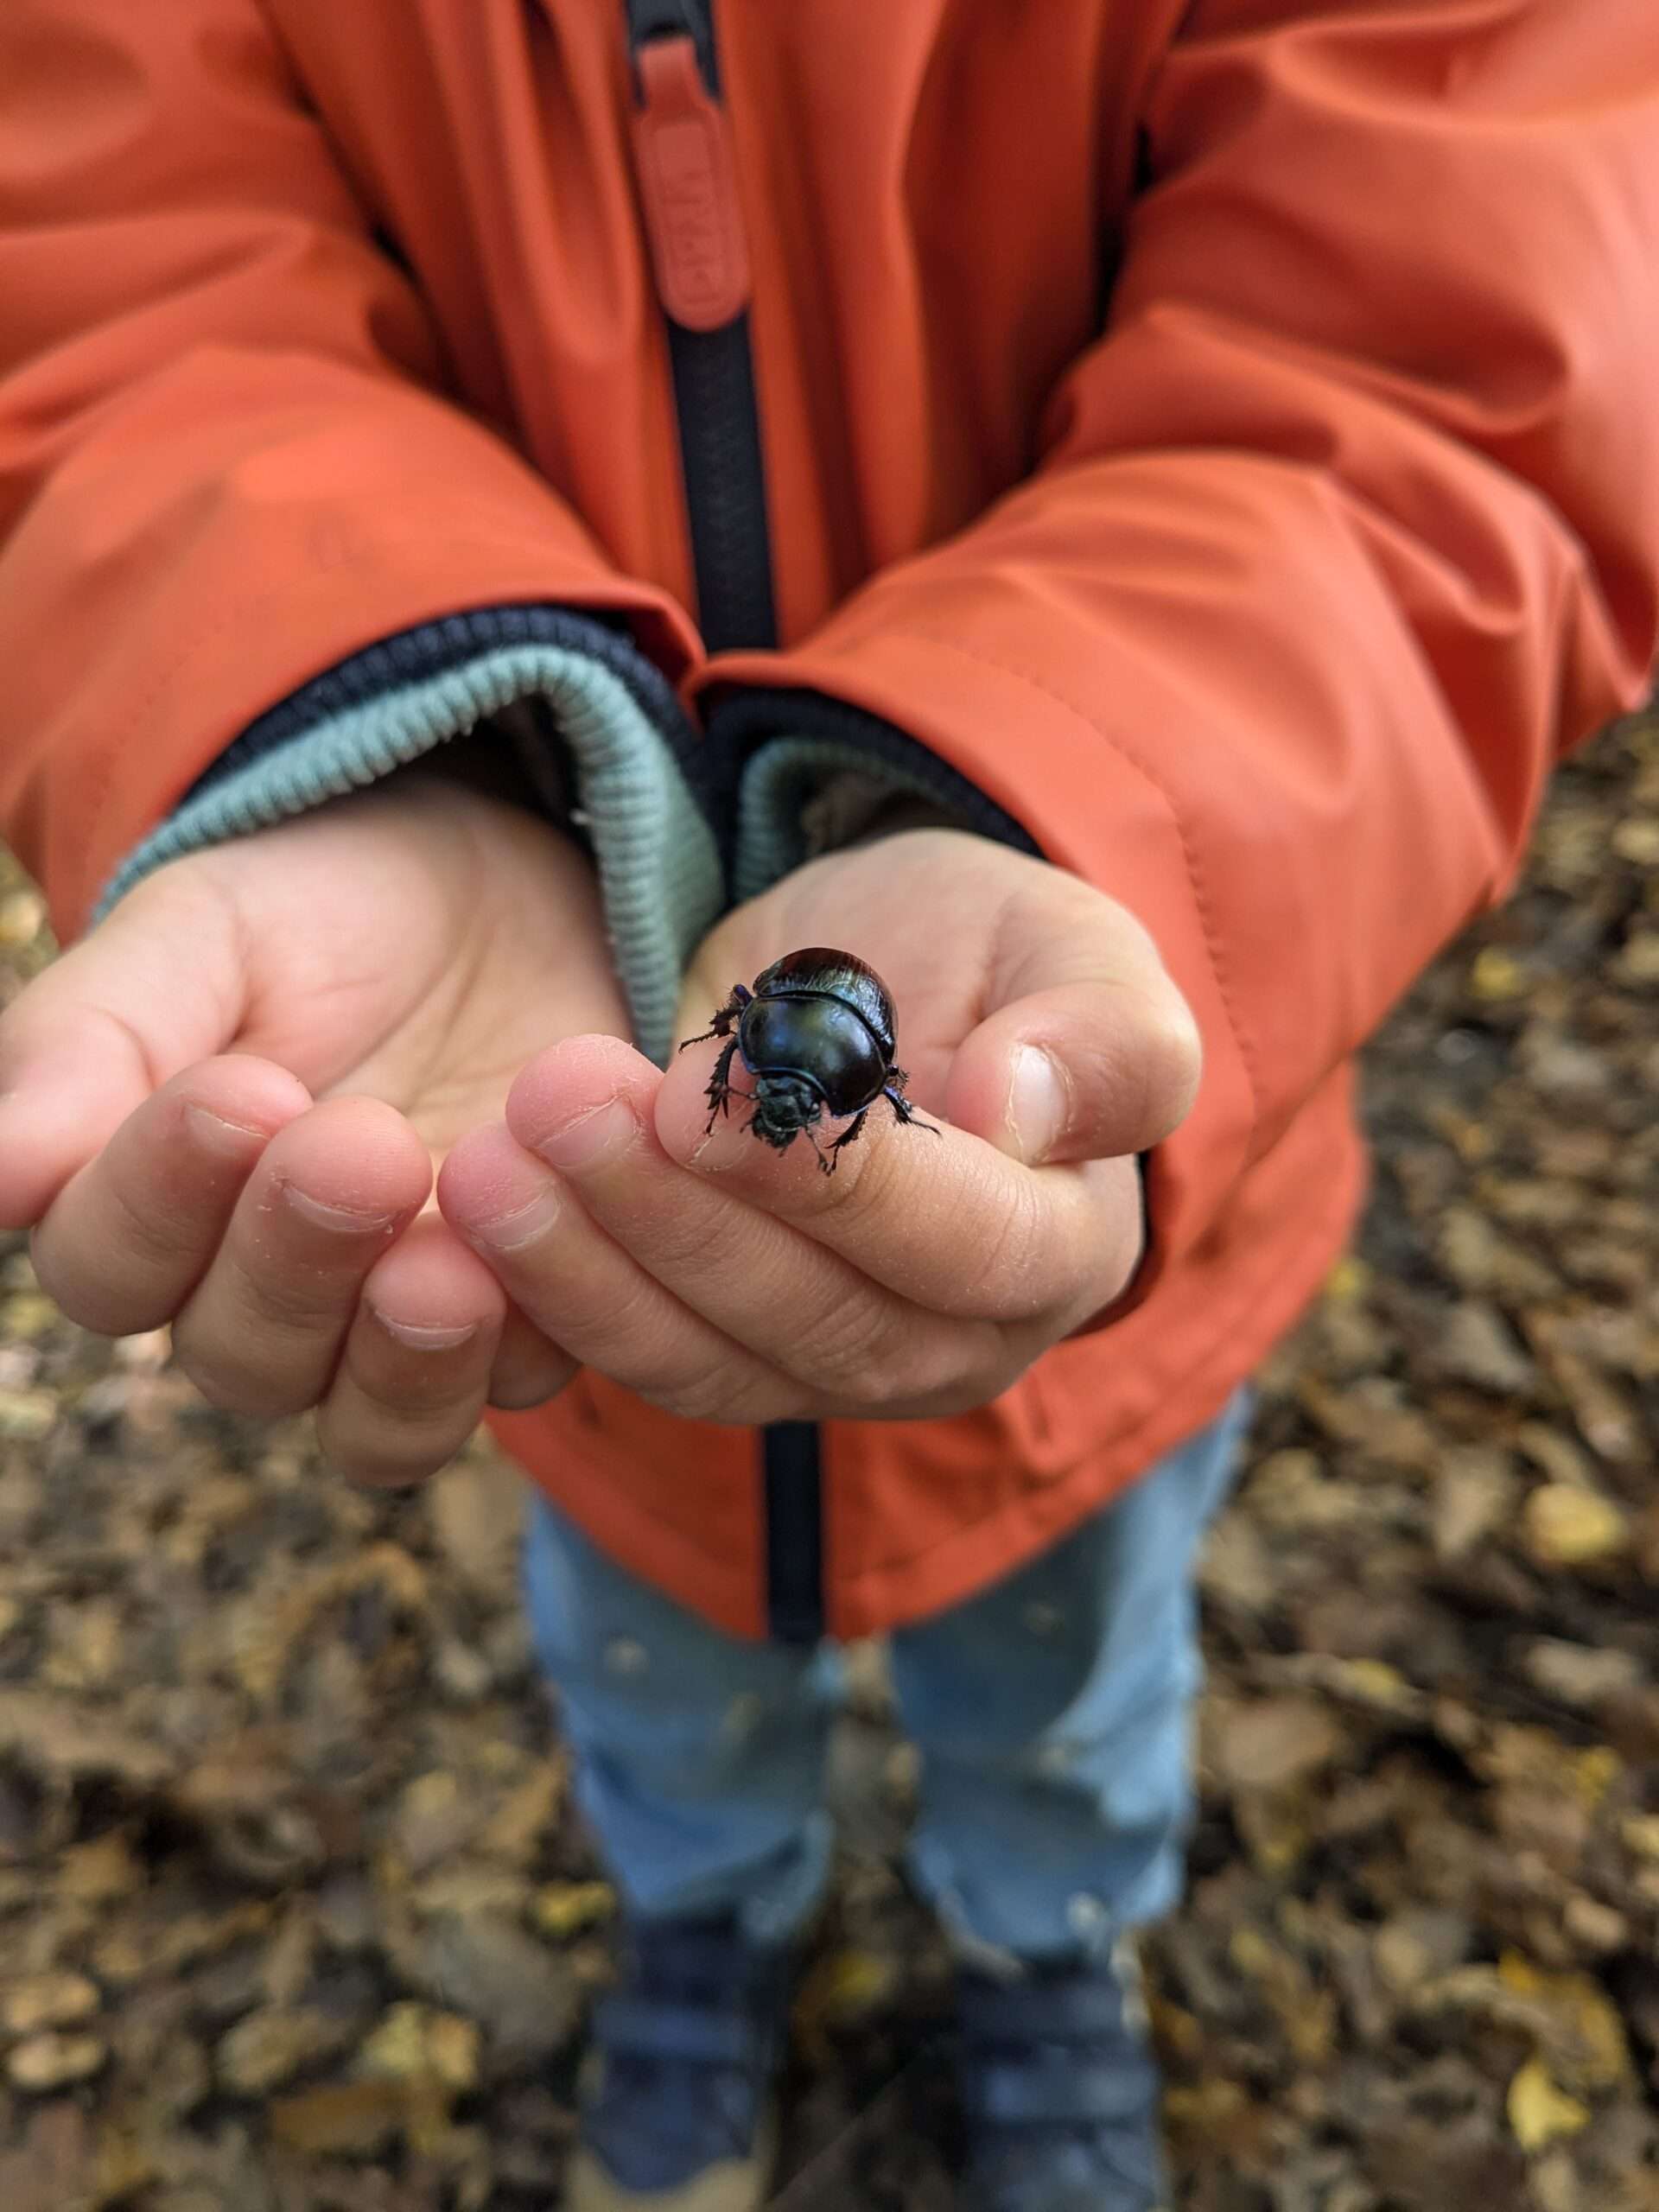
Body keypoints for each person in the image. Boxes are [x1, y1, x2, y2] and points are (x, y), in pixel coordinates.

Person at [0, 6, 1655, 2208]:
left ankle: (1046, 1934)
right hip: (579, 1277)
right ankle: (711, 1903)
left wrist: (1068, 796)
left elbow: (1473, 322)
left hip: (1099, 1209)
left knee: (1068, 1663)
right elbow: (95, 258)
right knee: (650, 1655)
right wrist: (387, 726)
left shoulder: (813, 1051)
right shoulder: (733, 1072)